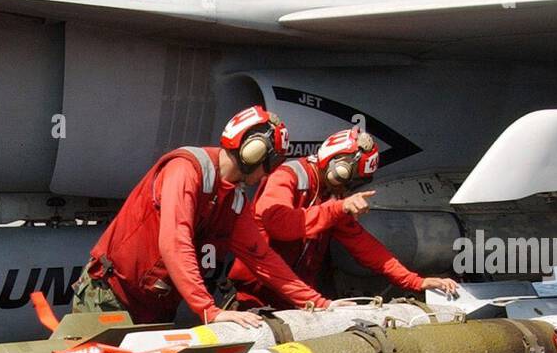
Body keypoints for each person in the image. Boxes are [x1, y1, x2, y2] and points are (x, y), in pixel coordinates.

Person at [70, 105, 330, 328]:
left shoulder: (234, 200)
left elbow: (262, 259)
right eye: (270, 163)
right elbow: (175, 242)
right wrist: (209, 310)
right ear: (254, 152)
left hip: (155, 309)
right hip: (110, 298)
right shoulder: (185, 171)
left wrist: (317, 302)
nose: (269, 174)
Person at [230, 127, 460, 307]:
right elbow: (279, 224)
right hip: (251, 298)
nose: (348, 188)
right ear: (336, 166)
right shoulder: (288, 177)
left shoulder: (332, 196)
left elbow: (366, 247)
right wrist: (338, 208)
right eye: (348, 179)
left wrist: (415, 281)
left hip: (292, 300)